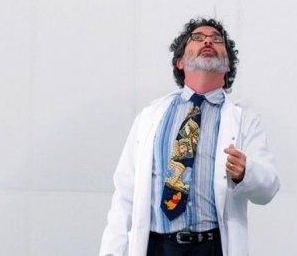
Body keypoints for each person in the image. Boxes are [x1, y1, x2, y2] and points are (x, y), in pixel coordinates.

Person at [100, 18, 279, 256]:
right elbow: (125, 193)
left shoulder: (244, 120)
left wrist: (246, 172)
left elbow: (269, 187)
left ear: (227, 66)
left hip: (212, 247)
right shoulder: (150, 117)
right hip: (157, 247)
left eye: (217, 40)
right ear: (180, 62)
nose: (208, 41)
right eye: (197, 38)